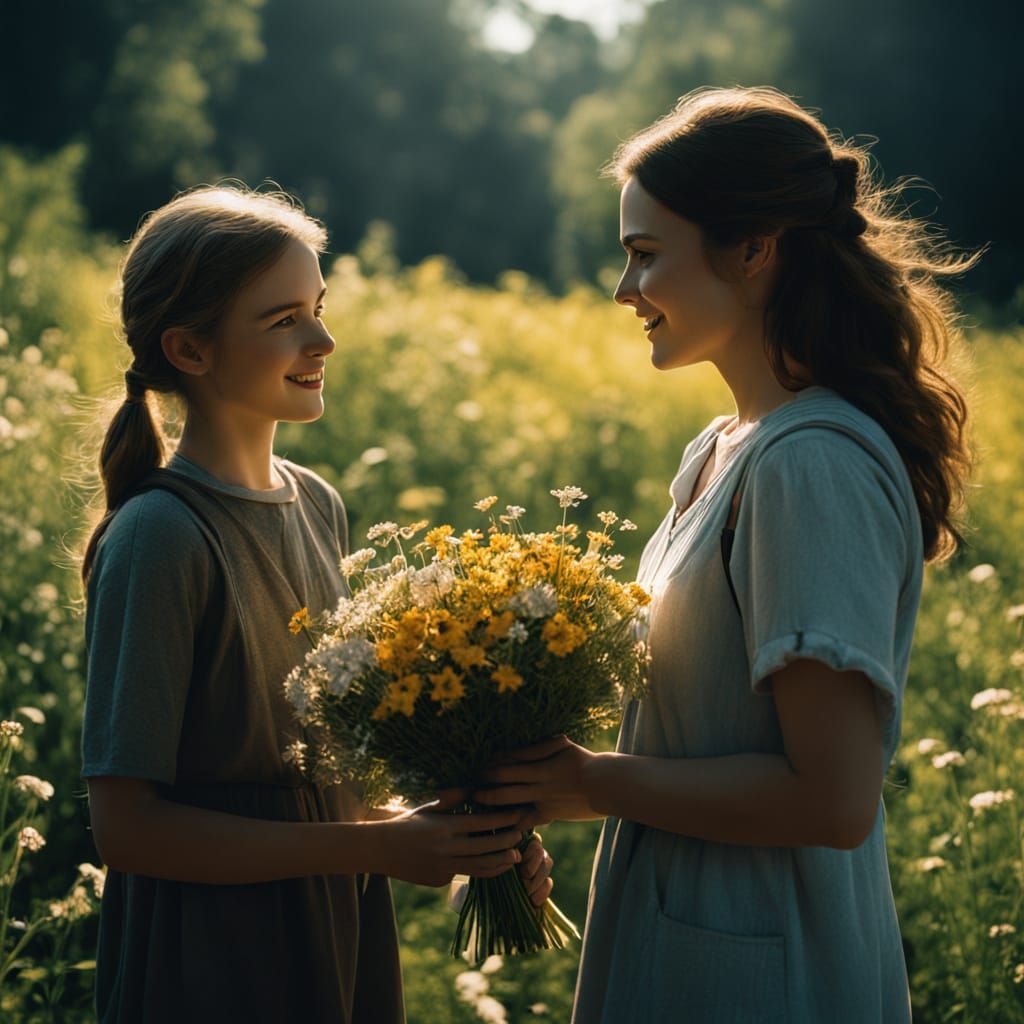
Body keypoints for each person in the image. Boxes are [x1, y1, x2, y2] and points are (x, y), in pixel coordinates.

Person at [476, 87, 975, 1022]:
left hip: (763, 963)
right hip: (687, 929)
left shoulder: (810, 466)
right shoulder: (722, 447)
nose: (625, 290)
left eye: (645, 254)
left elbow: (831, 801)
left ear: (753, 248)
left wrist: (586, 781)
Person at [79, 185, 552, 1024]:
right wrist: (372, 846)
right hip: (215, 959)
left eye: (320, 308)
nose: (324, 338)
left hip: (334, 930)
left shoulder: (317, 502)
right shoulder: (162, 536)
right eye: (283, 318)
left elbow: (324, 774)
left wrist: (453, 836)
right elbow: (130, 830)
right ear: (189, 349)